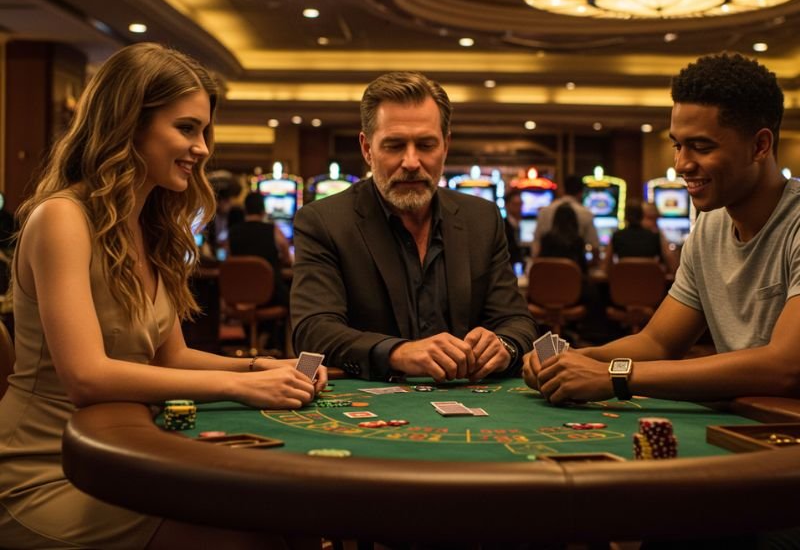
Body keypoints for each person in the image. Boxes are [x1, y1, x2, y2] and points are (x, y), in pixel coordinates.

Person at [0, 43, 326, 550]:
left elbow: (171, 355)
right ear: (129, 125)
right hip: (53, 467)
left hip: (124, 450)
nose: (202, 148)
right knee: (251, 534)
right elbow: (86, 377)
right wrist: (239, 389)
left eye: (205, 132)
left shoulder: (151, 226)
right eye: (187, 128)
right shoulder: (63, 217)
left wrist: (260, 368)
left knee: (283, 520)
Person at [524, 52, 800, 404]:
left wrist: (615, 376)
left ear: (760, 145)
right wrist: (574, 360)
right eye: (677, 145)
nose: (682, 164)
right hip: (748, 420)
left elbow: (786, 366)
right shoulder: (709, 226)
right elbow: (658, 342)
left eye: (701, 146)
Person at [291, 71, 537, 382]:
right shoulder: (323, 221)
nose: (411, 161)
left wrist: (505, 345)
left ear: (445, 147)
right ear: (367, 149)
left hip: (470, 405)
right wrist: (398, 353)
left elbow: (517, 321)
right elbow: (313, 330)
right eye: (394, 145)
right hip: (371, 408)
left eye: (425, 145)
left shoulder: (482, 218)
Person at [229, 191, 292, 307]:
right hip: (270, 296)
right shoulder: (273, 230)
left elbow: (229, 259)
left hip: (240, 293)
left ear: (245, 211)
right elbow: (288, 258)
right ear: (263, 212)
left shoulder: (232, 232)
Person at [532, 174, 599, 264]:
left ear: (562, 189)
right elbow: (595, 248)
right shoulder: (586, 213)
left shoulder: (545, 211)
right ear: (581, 192)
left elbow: (536, 243)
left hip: (547, 270)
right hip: (575, 271)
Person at [602, 201, 665, 273]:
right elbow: (671, 264)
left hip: (622, 282)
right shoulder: (654, 237)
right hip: (649, 282)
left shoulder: (617, 236)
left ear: (625, 217)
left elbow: (605, 267)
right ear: (642, 216)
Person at [537, 203, 588, 272]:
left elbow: (539, 265)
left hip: (548, 280)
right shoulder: (578, 240)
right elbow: (583, 268)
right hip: (571, 281)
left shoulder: (546, 238)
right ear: (574, 220)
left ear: (555, 219)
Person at [503, 189, 525, 268]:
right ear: (507, 205)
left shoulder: (522, 224)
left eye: (520, 204)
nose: (519, 208)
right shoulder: (502, 226)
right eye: (515, 204)